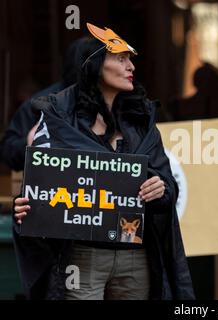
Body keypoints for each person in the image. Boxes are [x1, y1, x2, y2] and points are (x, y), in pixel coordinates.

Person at [12, 23, 194, 300]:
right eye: (120, 59)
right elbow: (42, 186)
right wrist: (26, 206)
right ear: (95, 65)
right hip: (82, 257)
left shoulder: (141, 122)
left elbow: (169, 188)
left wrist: (162, 189)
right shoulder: (60, 121)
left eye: (130, 59)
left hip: (137, 257)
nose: (130, 66)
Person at [0, 37, 89, 171]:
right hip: (51, 186)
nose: (130, 66)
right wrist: (34, 140)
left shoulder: (118, 103)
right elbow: (8, 153)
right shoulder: (41, 103)